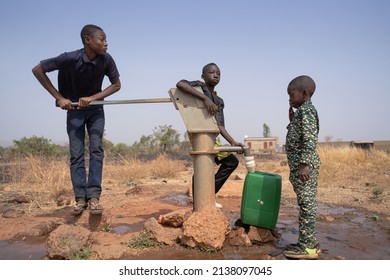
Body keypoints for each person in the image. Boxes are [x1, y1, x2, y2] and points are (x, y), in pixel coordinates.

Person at [32, 24, 121, 215]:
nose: (106, 43)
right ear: (88, 40)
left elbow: (116, 85)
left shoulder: (106, 59)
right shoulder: (70, 58)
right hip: (74, 110)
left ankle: (94, 197)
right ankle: (80, 199)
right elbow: (38, 70)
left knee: (96, 150)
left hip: (96, 110)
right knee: (76, 154)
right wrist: (59, 97)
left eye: (106, 40)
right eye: (102, 39)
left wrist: (93, 98)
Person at [176, 63, 244, 209]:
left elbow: (220, 126)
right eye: (211, 72)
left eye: (218, 73)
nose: (216, 75)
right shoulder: (200, 87)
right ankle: (200, 200)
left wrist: (232, 142)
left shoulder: (219, 101)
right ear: (203, 76)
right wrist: (204, 99)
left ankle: (207, 195)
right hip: (198, 134)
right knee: (203, 162)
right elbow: (180, 84)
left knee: (230, 162)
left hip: (212, 137)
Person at [283, 75, 321, 259]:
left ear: (304, 93)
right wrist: (292, 121)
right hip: (301, 166)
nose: (289, 98)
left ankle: (308, 248)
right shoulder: (302, 112)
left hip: (304, 168)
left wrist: (304, 165)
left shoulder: (306, 112)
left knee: (307, 205)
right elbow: (300, 136)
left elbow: (309, 139)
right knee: (305, 204)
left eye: (291, 94)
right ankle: (308, 242)